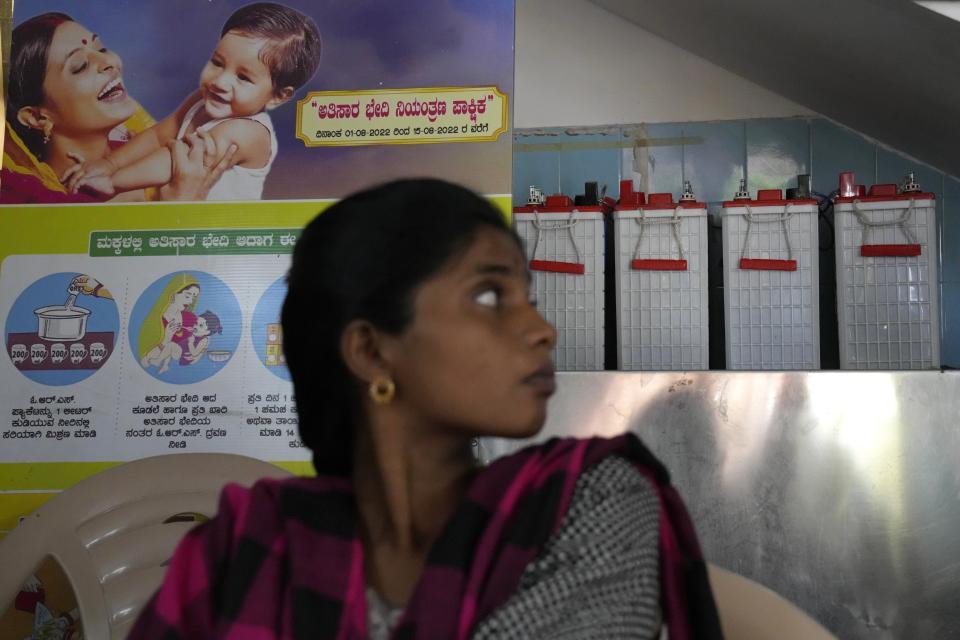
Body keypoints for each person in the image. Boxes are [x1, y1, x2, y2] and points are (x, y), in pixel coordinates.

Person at [129, 179, 723, 639]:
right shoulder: (246, 546)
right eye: (490, 295)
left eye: (529, 298)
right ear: (370, 350)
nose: (542, 330)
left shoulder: (591, 500)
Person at [63, 2, 321, 202]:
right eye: (218, 63)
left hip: (217, 238)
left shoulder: (249, 131)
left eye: (243, 77)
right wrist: (109, 163)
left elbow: (177, 159)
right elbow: (158, 137)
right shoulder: (200, 101)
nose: (221, 81)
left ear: (278, 96)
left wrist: (113, 180)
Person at [2, 12, 237, 204]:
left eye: (101, 49)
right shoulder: (30, 201)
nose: (109, 62)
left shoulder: (146, 153)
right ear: (36, 117)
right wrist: (180, 205)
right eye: (81, 66)